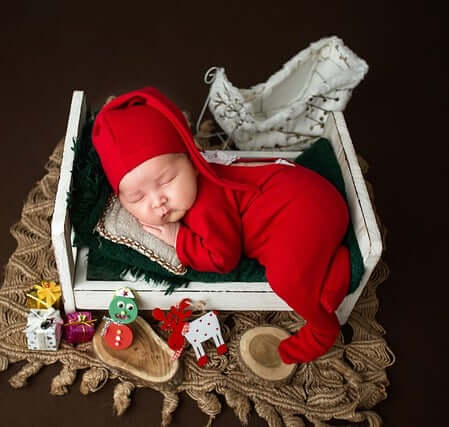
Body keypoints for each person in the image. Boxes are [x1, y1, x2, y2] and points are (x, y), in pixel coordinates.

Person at [91, 86, 351, 364]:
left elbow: (223, 258)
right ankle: (334, 262)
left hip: (303, 211)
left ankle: (323, 329)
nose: (158, 201)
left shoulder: (206, 206)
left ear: (193, 161)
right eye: (138, 198)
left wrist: (179, 239)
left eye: (167, 181)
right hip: (320, 203)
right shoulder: (187, 192)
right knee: (306, 255)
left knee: (286, 278)